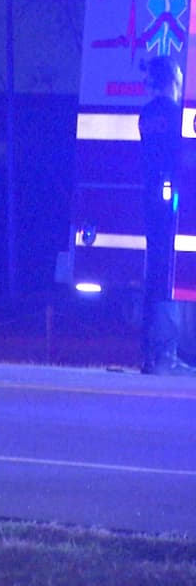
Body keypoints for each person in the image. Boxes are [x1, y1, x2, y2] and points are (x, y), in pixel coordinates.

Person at [137, 56, 195, 376]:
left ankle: (152, 354)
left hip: (151, 199)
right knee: (167, 274)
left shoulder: (147, 114)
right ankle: (164, 355)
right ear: (173, 78)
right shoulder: (175, 114)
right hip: (171, 201)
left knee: (155, 272)